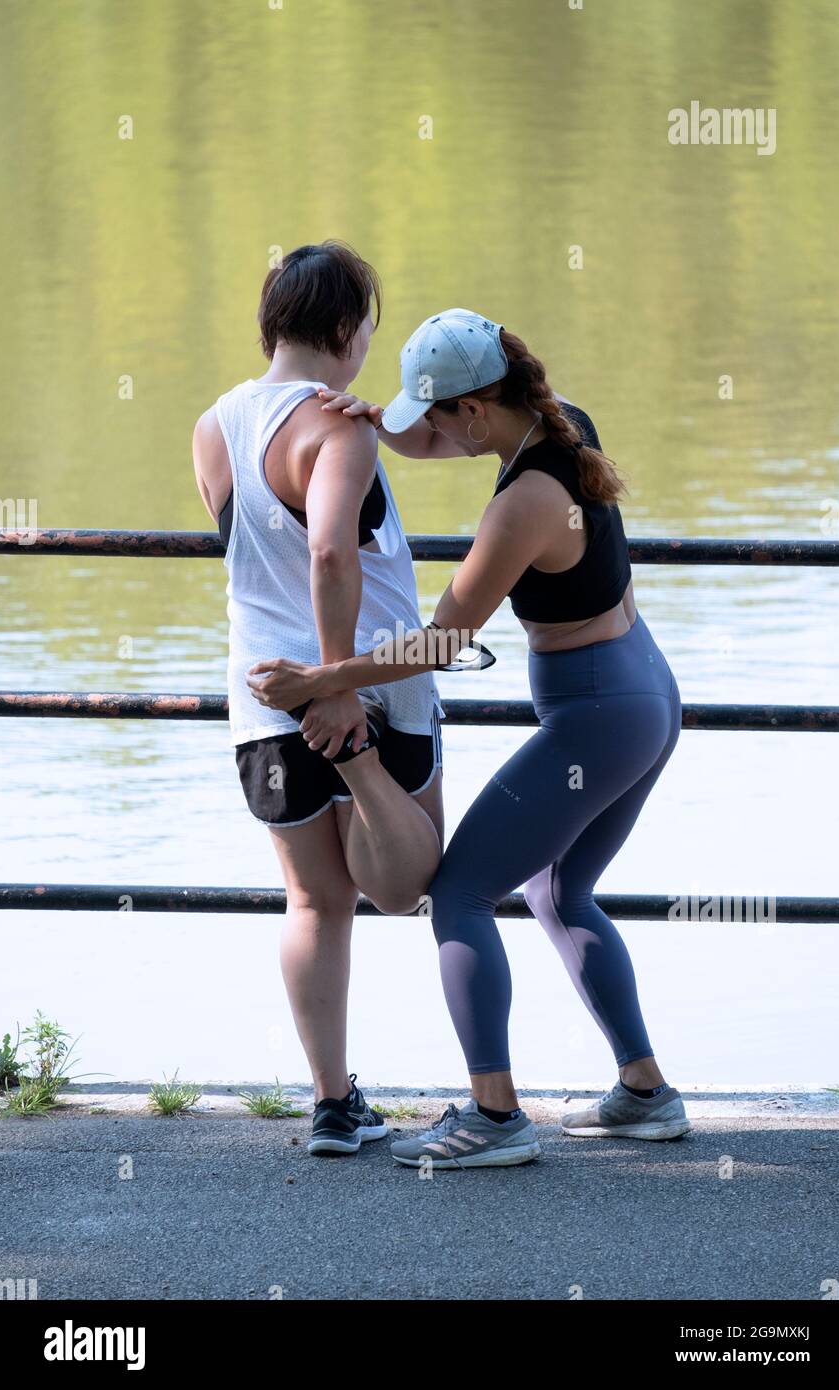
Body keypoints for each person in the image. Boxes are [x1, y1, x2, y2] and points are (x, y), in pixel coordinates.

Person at [247, 307, 692, 1170]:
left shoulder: (525, 503)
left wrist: (322, 681)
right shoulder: (558, 425)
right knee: (560, 895)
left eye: (437, 418)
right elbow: (436, 441)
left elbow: (439, 642)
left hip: (597, 716)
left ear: (474, 412)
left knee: (458, 891)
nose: (431, 438)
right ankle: (645, 1094)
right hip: (643, 693)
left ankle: (494, 1117)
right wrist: (379, 420)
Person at [191, 242, 447, 1157]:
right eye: (369, 326)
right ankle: (474, 1098)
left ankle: (332, 1105)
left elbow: (252, 546)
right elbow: (330, 550)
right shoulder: (338, 430)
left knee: (311, 902)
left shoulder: (214, 424)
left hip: (259, 700)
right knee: (407, 882)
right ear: (345, 329)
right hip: (364, 691)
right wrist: (338, 685)